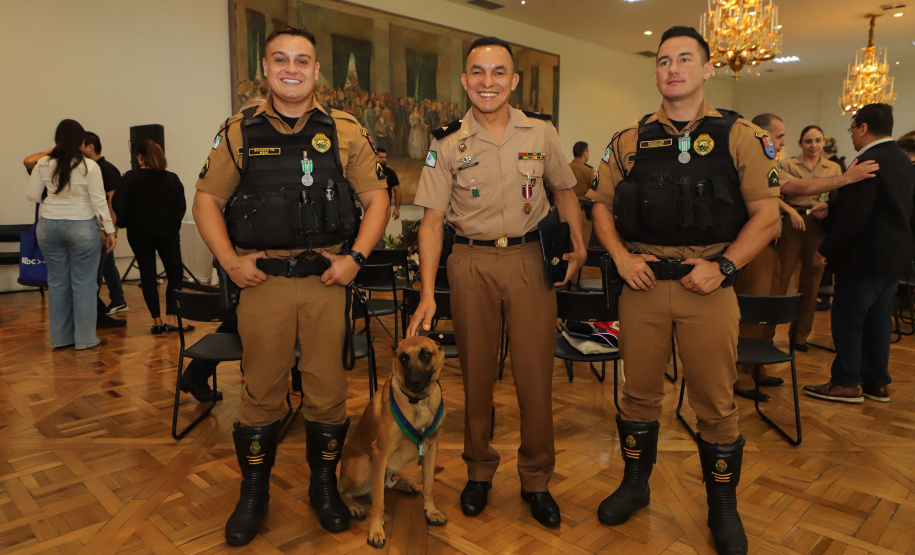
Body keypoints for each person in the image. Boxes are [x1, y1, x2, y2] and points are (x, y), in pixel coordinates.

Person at [192, 24, 389, 546]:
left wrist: (355, 258)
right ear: (266, 68)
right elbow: (206, 201)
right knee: (261, 394)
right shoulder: (239, 131)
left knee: (328, 394)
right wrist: (230, 262)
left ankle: (323, 489)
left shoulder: (345, 130)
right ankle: (253, 494)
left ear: (317, 70)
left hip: (327, 281)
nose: (291, 69)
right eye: (280, 59)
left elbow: (377, 199)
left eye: (302, 60)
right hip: (265, 284)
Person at [588, 27, 780, 554]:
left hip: (708, 288)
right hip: (643, 284)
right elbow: (599, 206)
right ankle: (635, 485)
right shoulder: (628, 140)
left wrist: (724, 266)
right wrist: (622, 257)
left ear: (708, 68)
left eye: (685, 59)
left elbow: (767, 217)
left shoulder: (740, 135)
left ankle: (723, 507)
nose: (673, 69)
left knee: (715, 404)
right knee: (637, 394)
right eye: (664, 60)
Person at [407, 36, 586, 529]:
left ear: (514, 80)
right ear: (466, 80)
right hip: (471, 262)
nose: (488, 82)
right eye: (478, 72)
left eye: (499, 72)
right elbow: (431, 224)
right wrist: (427, 293)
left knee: (535, 377)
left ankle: (537, 479)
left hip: (529, 260)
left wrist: (578, 242)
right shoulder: (446, 142)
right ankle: (479, 471)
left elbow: (564, 192)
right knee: (477, 375)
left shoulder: (541, 132)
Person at [804, 103, 914, 404]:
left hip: (862, 258)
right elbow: (890, 208)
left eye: (852, 128)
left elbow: (856, 215)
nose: (851, 134)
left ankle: (846, 382)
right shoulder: (903, 160)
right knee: (879, 322)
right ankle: (876, 383)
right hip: (894, 258)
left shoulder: (867, 161)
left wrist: (824, 248)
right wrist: (833, 207)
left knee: (848, 320)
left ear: (863, 128)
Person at [25, 119, 117, 350]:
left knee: (57, 283)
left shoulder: (43, 163)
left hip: (48, 226)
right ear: (80, 141)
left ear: (57, 139)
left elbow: (32, 195)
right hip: (82, 226)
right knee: (84, 284)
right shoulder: (89, 166)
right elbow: (99, 202)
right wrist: (110, 231)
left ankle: (61, 339)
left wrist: (52, 199)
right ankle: (85, 339)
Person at [774, 125, 843, 351]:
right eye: (808, 141)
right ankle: (766, 334)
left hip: (818, 225)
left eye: (818, 140)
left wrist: (829, 207)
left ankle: (800, 336)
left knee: (811, 282)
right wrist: (790, 211)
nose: (813, 145)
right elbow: (773, 195)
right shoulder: (788, 165)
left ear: (823, 142)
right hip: (792, 223)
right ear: (800, 143)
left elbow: (838, 200)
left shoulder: (833, 168)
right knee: (780, 278)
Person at [113, 139, 190, 335]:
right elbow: (180, 207)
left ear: (139, 157)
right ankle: (172, 318)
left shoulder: (130, 178)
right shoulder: (172, 178)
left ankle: (156, 321)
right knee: (175, 273)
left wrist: (127, 221)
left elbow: (118, 204)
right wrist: (173, 225)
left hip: (139, 233)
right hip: (167, 231)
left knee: (148, 274)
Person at [80, 131, 129, 326]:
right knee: (107, 265)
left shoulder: (106, 169)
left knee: (100, 268)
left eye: (81, 145)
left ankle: (105, 308)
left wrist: (111, 229)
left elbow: (112, 201)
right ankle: (117, 300)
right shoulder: (88, 168)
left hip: (103, 226)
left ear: (91, 147)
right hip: (97, 226)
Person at [569, 141, 596, 247]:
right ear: (584, 153)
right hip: (583, 211)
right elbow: (596, 189)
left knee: (569, 243)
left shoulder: (566, 168)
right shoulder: (589, 171)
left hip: (567, 209)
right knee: (582, 245)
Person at [377, 148, 401, 220]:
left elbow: (397, 190)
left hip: (386, 207)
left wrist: (397, 209)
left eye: (385, 157)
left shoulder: (390, 172)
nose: (384, 160)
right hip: (372, 206)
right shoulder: (370, 172)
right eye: (381, 157)